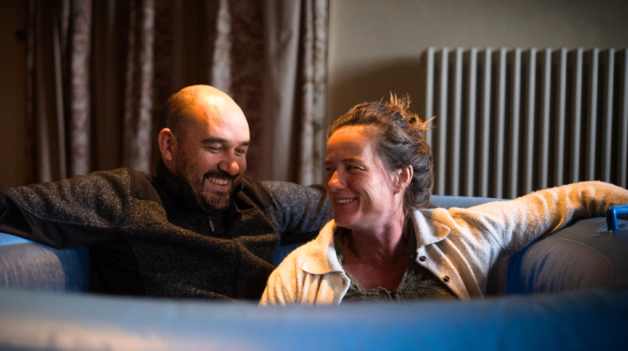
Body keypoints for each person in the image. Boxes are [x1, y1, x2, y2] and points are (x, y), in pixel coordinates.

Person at [0, 85, 331, 300]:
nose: (232, 166)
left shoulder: (263, 201)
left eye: (241, 150)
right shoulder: (125, 198)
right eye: (215, 148)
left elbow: (337, 204)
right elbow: (9, 202)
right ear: (169, 147)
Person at [260, 95, 628, 305]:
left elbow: (571, 198)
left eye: (352, 168)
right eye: (329, 169)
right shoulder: (296, 274)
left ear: (400, 177)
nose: (333, 183)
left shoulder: (466, 234)